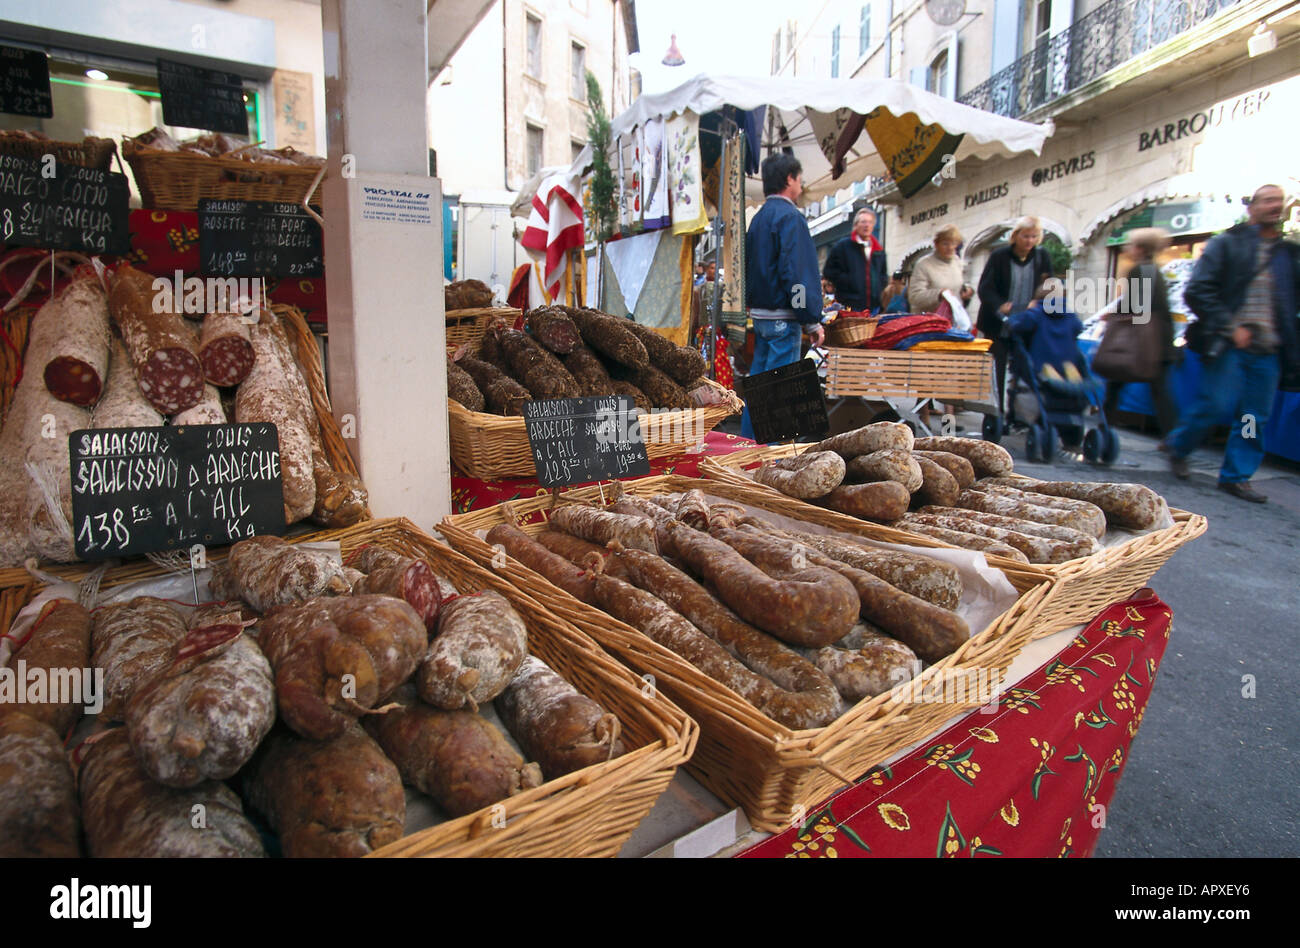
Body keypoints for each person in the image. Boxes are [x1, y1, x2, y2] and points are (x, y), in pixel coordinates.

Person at [1166, 184, 1300, 502]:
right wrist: (1230, 326)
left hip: (1268, 351)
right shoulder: (1227, 244)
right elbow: (1198, 290)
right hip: (1229, 345)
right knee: (1215, 405)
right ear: (1252, 207)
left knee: (1253, 417)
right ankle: (1180, 445)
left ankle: (1236, 475)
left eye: (1279, 201)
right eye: (1267, 200)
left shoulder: (1289, 255)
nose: (1274, 206)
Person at [741, 152, 824, 441]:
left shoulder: (760, 217)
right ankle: (770, 459)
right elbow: (796, 274)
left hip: (762, 315)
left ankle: (748, 450)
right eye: (799, 180)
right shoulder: (790, 218)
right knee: (778, 391)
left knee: (760, 385)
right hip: (783, 316)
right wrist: (811, 320)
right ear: (790, 179)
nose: (801, 186)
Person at [1100, 227, 1178, 439]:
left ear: (1141, 248)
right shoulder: (1156, 271)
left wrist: (1112, 315)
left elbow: (1134, 303)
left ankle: (1103, 431)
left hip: (1141, 342)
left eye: (1131, 245)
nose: (1128, 249)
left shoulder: (1139, 270)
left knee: (1115, 385)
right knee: (1160, 394)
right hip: (1158, 342)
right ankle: (1172, 441)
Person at [977, 216, 1054, 412]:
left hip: (1027, 321)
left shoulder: (1041, 256)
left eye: (1034, 236)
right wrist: (1000, 305)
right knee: (997, 369)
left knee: (1024, 367)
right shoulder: (999, 256)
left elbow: (1049, 284)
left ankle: (1019, 411)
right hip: (998, 322)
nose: (1029, 241)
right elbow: (985, 288)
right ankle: (996, 411)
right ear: (1015, 236)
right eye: (1025, 236)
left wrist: (1040, 301)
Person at [823, 207, 888, 313]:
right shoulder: (843, 246)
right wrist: (849, 282)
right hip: (850, 305)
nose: (867, 225)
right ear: (856, 225)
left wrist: (879, 287)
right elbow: (829, 272)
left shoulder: (878, 250)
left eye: (870, 222)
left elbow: (883, 275)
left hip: (874, 307)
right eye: (863, 222)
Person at [908, 225, 975, 314]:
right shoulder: (923, 264)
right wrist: (939, 294)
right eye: (945, 243)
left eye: (953, 243)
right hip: (929, 322)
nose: (950, 248)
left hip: (953, 320)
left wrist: (966, 290)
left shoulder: (957, 262)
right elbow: (914, 297)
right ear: (936, 244)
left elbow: (960, 284)